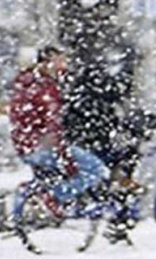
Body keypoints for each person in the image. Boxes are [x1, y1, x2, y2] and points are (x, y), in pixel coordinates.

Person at [8, 46, 109, 215]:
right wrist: (65, 157)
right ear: (46, 62)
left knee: (85, 167)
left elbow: (27, 120)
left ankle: (51, 194)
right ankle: (54, 195)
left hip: (29, 145)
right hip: (40, 147)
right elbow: (51, 127)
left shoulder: (30, 84)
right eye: (59, 61)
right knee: (96, 169)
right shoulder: (44, 89)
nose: (64, 65)